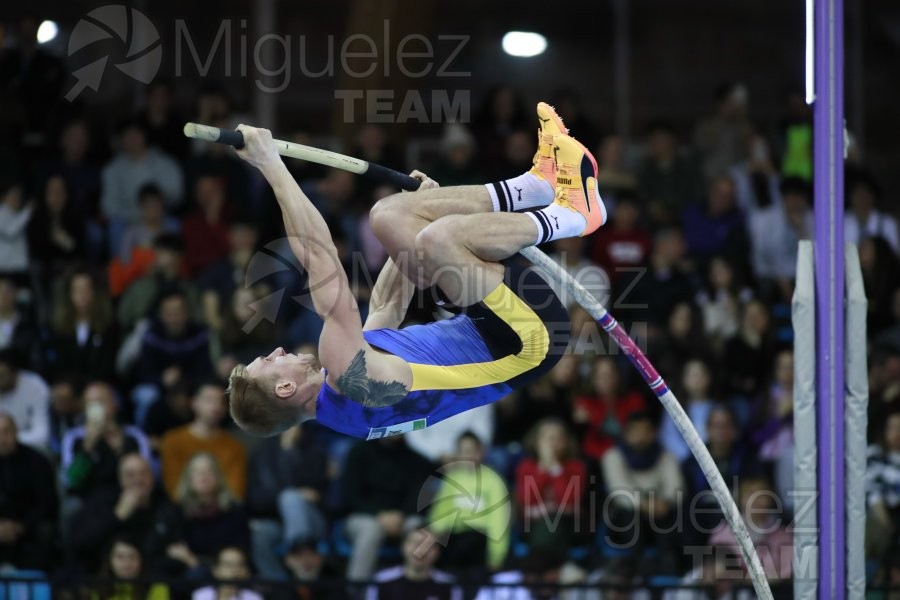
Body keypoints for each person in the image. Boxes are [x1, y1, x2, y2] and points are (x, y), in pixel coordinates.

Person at [225, 102, 606, 440]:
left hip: (487, 320)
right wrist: (271, 166)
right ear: (286, 389)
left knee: (390, 215)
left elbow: (388, 305)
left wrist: (418, 209)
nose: (275, 351)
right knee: (439, 238)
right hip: (527, 340)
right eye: (269, 362)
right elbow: (319, 256)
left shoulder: (347, 393)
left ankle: (535, 188)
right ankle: (571, 217)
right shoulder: (346, 375)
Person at [339, 436, 433, 581]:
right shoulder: (359, 452)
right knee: (371, 530)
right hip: (363, 516)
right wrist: (379, 515)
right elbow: (350, 496)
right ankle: (356, 590)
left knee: (418, 529)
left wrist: (400, 516)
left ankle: (421, 588)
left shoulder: (415, 459)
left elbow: (418, 497)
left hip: (402, 519)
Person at [427, 431, 511, 575]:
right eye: (463, 451)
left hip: (480, 539)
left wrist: (496, 557)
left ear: (481, 453)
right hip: (453, 537)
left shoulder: (494, 480)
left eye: (471, 450)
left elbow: (499, 522)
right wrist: (432, 540)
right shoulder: (451, 478)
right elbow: (440, 514)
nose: (467, 455)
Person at [160, 382, 246, 500]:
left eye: (220, 401)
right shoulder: (172, 441)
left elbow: (236, 492)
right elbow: (173, 488)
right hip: (184, 511)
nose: (215, 406)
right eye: (209, 400)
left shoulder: (234, 447)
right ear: (194, 403)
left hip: (223, 511)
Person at [172, 453, 250, 571]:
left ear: (219, 477)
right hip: (190, 573)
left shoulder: (234, 510)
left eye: (209, 471)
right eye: (197, 471)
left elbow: (240, 549)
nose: (203, 475)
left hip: (228, 571)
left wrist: (195, 561)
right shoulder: (177, 510)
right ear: (188, 478)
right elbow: (176, 551)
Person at [0, 413, 58, 571]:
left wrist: (20, 527)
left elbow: (47, 503)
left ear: (16, 432)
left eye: (6, 431)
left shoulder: (37, 461)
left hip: (27, 527)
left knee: (45, 530)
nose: (2, 438)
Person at [365, 528, 461, 600]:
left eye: (429, 546)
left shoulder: (450, 585)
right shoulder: (380, 581)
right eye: (416, 543)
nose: (421, 551)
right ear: (403, 546)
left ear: (437, 552)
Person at [92, 536, 170, 600]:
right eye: (120, 557)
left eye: (132, 557)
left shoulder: (157, 587)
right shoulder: (98, 589)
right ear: (109, 561)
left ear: (141, 560)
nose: (126, 563)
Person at [0, 349, 50, 448]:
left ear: (15, 373)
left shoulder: (36, 387)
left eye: (1, 376)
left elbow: (42, 436)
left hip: (27, 450)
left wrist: (8, 439)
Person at [191, 546, 262, 600]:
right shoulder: (201, 596)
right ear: (215, 570)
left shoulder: (253, 598)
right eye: (228, 565)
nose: (235, 570)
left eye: (240, 565)